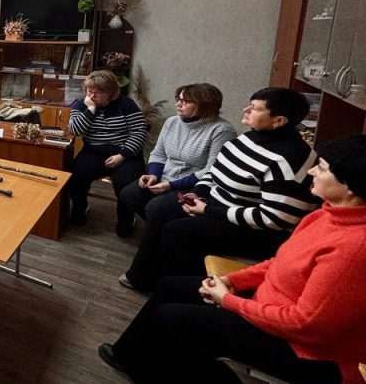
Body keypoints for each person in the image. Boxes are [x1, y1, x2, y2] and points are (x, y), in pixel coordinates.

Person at [98, 134, 366, 384]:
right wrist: (232, 282)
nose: (312, 172)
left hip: (313, 354)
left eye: (322, 168)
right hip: (274, 310)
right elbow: (279, 263)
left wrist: (228, 301)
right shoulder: (325, 215)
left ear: (350, 187)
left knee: (178, 324)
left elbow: (306, 324)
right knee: (170, 287)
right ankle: (135, 361)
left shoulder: (355, 248)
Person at [156, 87, 318, 282]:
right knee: (161, 209)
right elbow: (215, 171)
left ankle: (184, 287)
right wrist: (199, 192)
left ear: (279, 121)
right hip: (219, 207)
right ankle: (145, 277)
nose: (246, 110)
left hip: (257, 232)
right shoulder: (249, 137)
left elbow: (275, 219)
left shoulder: (288, 159)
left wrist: (208, 211)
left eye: (255, 108)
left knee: (177, 232)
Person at [117, 83, 236, 285]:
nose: (178, 104)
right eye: (178, 99)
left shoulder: (221, 130)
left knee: (156, 208)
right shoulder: (172, 122)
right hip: (164, 178)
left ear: (205, 105)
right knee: (129, 194)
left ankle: (141, 273)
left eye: (186, 101)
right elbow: (158, 153)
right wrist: (153, 175)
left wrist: (171, 186)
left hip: (194, 186)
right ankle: (160, 235)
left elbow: (211, 170)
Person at [67, 70, 147, 232]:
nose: (92, 95)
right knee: (76, 177)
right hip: (93, 151)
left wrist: (122, 155)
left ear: (110, 92)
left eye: (98, 92)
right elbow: (75, 130)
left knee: (125, 184)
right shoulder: (81, 104)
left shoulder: (126, 104)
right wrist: (90, 109)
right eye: (89, 91)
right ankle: (80, 210)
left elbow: (139, 132)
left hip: (125, 153)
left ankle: (125, 221)